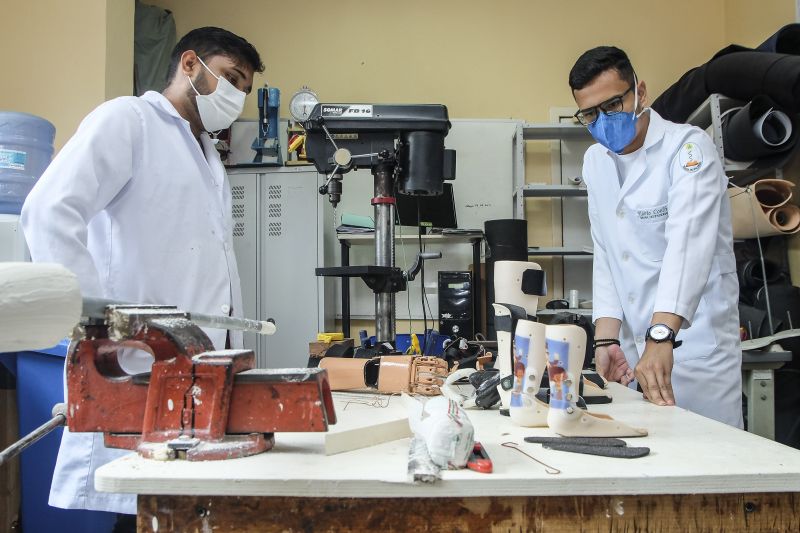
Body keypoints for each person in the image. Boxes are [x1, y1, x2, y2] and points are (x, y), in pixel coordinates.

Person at [20, 26, 264, 524]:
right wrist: (103, 325)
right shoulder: (128, 120)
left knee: (169, 511)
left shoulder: (208, 155)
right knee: (136, 506)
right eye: (231, 78)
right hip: (133, 365)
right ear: (190, 64)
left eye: (246, 89)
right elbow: (49, 210)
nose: (237, 97)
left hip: (194, 373)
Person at [568, 46, 743, 428]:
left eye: (613, 104)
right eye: (590, 114)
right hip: (634, 351)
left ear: (640, 93)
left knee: (711, 461)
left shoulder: (688, 148)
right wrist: (605, 339)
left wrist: (662, 337)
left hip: (693, 347)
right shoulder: (595, 162)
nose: (603, 120)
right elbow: (607, 253)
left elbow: (688, 248)